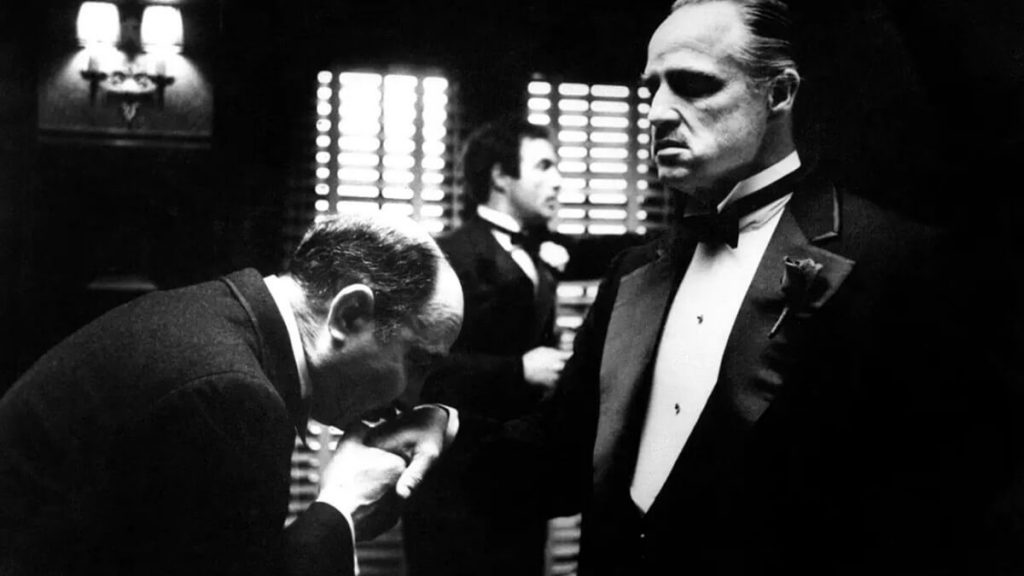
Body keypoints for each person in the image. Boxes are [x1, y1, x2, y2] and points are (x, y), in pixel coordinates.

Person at [373, 1, 1007, 574]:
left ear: (779, 92)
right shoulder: (633, 272)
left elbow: (941, 503)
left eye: (694, 84)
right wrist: (443, 430)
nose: (656, 112)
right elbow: (563, 455)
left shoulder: (897, 261)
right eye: (651, 88)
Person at [0, 213, 463, 576]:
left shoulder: (220, 322)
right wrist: (342, 509)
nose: (411, 397)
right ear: (349, 315)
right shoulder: (232, 397)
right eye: (417, 362)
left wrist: (437, 416)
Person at [402, 117, 571, 576]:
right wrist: (518, 370)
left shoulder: (540, 250)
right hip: (454, 492)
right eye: (544, 166)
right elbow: (415, 368)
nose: (558, 180)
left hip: (519, 485)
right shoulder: (446, 254)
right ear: (500, 176)